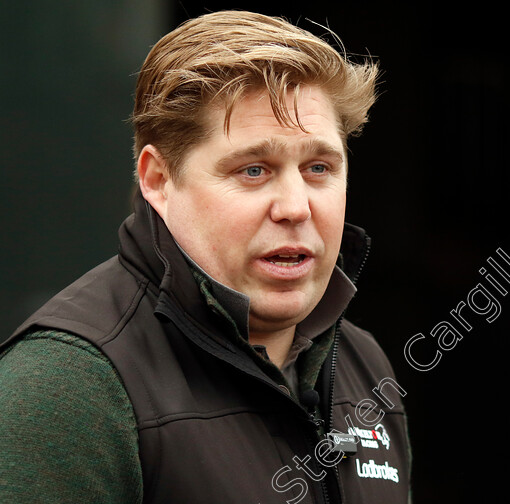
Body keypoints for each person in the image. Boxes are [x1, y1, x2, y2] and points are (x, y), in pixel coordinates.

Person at [0, 10, 410, 503]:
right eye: (254, 169)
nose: (296, 207)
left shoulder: (364, 364)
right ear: (157, 179)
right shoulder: (67, 387)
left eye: (318, 167)